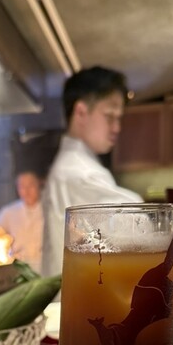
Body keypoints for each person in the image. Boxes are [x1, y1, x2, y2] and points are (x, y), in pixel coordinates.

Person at [41, 66, 143, 277]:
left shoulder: (77, 166)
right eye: (109, 116)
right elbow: (137, 220)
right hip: (75, 296)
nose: (117, 128)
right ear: (81, 112)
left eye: (119, 118)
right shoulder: (76, 172)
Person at [0, 171, 44, 273]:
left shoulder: (50, 210)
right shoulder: (10, 212)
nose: (26, 191)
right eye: (22, 186)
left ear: (39, 185)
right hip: (19, 269)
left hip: (44, 266)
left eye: (30, 185)